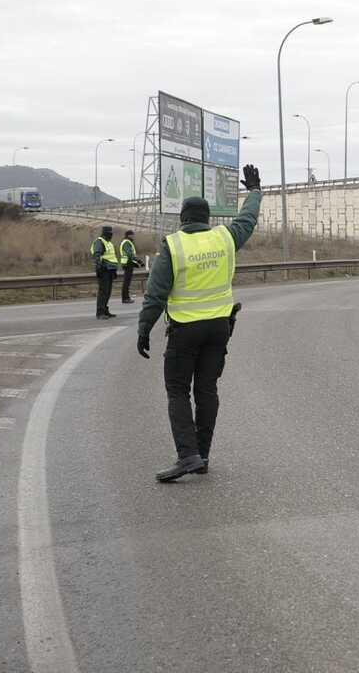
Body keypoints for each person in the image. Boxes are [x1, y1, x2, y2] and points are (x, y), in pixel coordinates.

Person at [136, 165, 262, 482]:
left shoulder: (174, 245)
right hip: (219, 328)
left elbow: (156, 292)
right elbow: (247, 220)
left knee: (178, 392)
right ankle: (201, 455)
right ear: (207, 219)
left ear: (182, 218)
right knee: (207, 390)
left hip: (185, 330)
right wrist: (255, 192)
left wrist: (144, 327)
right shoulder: (224, 238)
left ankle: (187, 455)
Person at [90, 225, 119, 319]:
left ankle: (105, 310)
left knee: (107, 292)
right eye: (110, 233)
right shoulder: (99, 242)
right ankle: (100, 312)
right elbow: (97, 255)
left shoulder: (108, 243)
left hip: (110, 270)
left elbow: (111, 257)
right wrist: (99, 267)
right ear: (105, 233)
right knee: (103, 292)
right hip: (104, 270)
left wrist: (114, 270)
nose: (111, 235)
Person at [119, 229, 143, 304]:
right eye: (132, 235)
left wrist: (136, 263)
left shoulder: (127, 242)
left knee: (127, 282)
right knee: (126, 282)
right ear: (129, 235)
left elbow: (130, 255)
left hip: (128, 263)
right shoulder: (127, 242)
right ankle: (125, 298)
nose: (133, 236)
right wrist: (138, 261)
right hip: (127, 264)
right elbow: (130, 254)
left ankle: (126, 297)